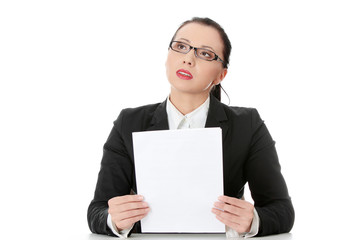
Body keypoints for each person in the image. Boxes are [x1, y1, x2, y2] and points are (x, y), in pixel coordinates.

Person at [87, 17, 295, 238]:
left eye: (205, 53)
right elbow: (97, 211)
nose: (188, 59)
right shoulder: (128, 123)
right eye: (181, 47)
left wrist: (253, 221)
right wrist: (114, 219)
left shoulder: (248, 125)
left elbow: (281, 210)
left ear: (220, 75)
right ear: (167, 57)